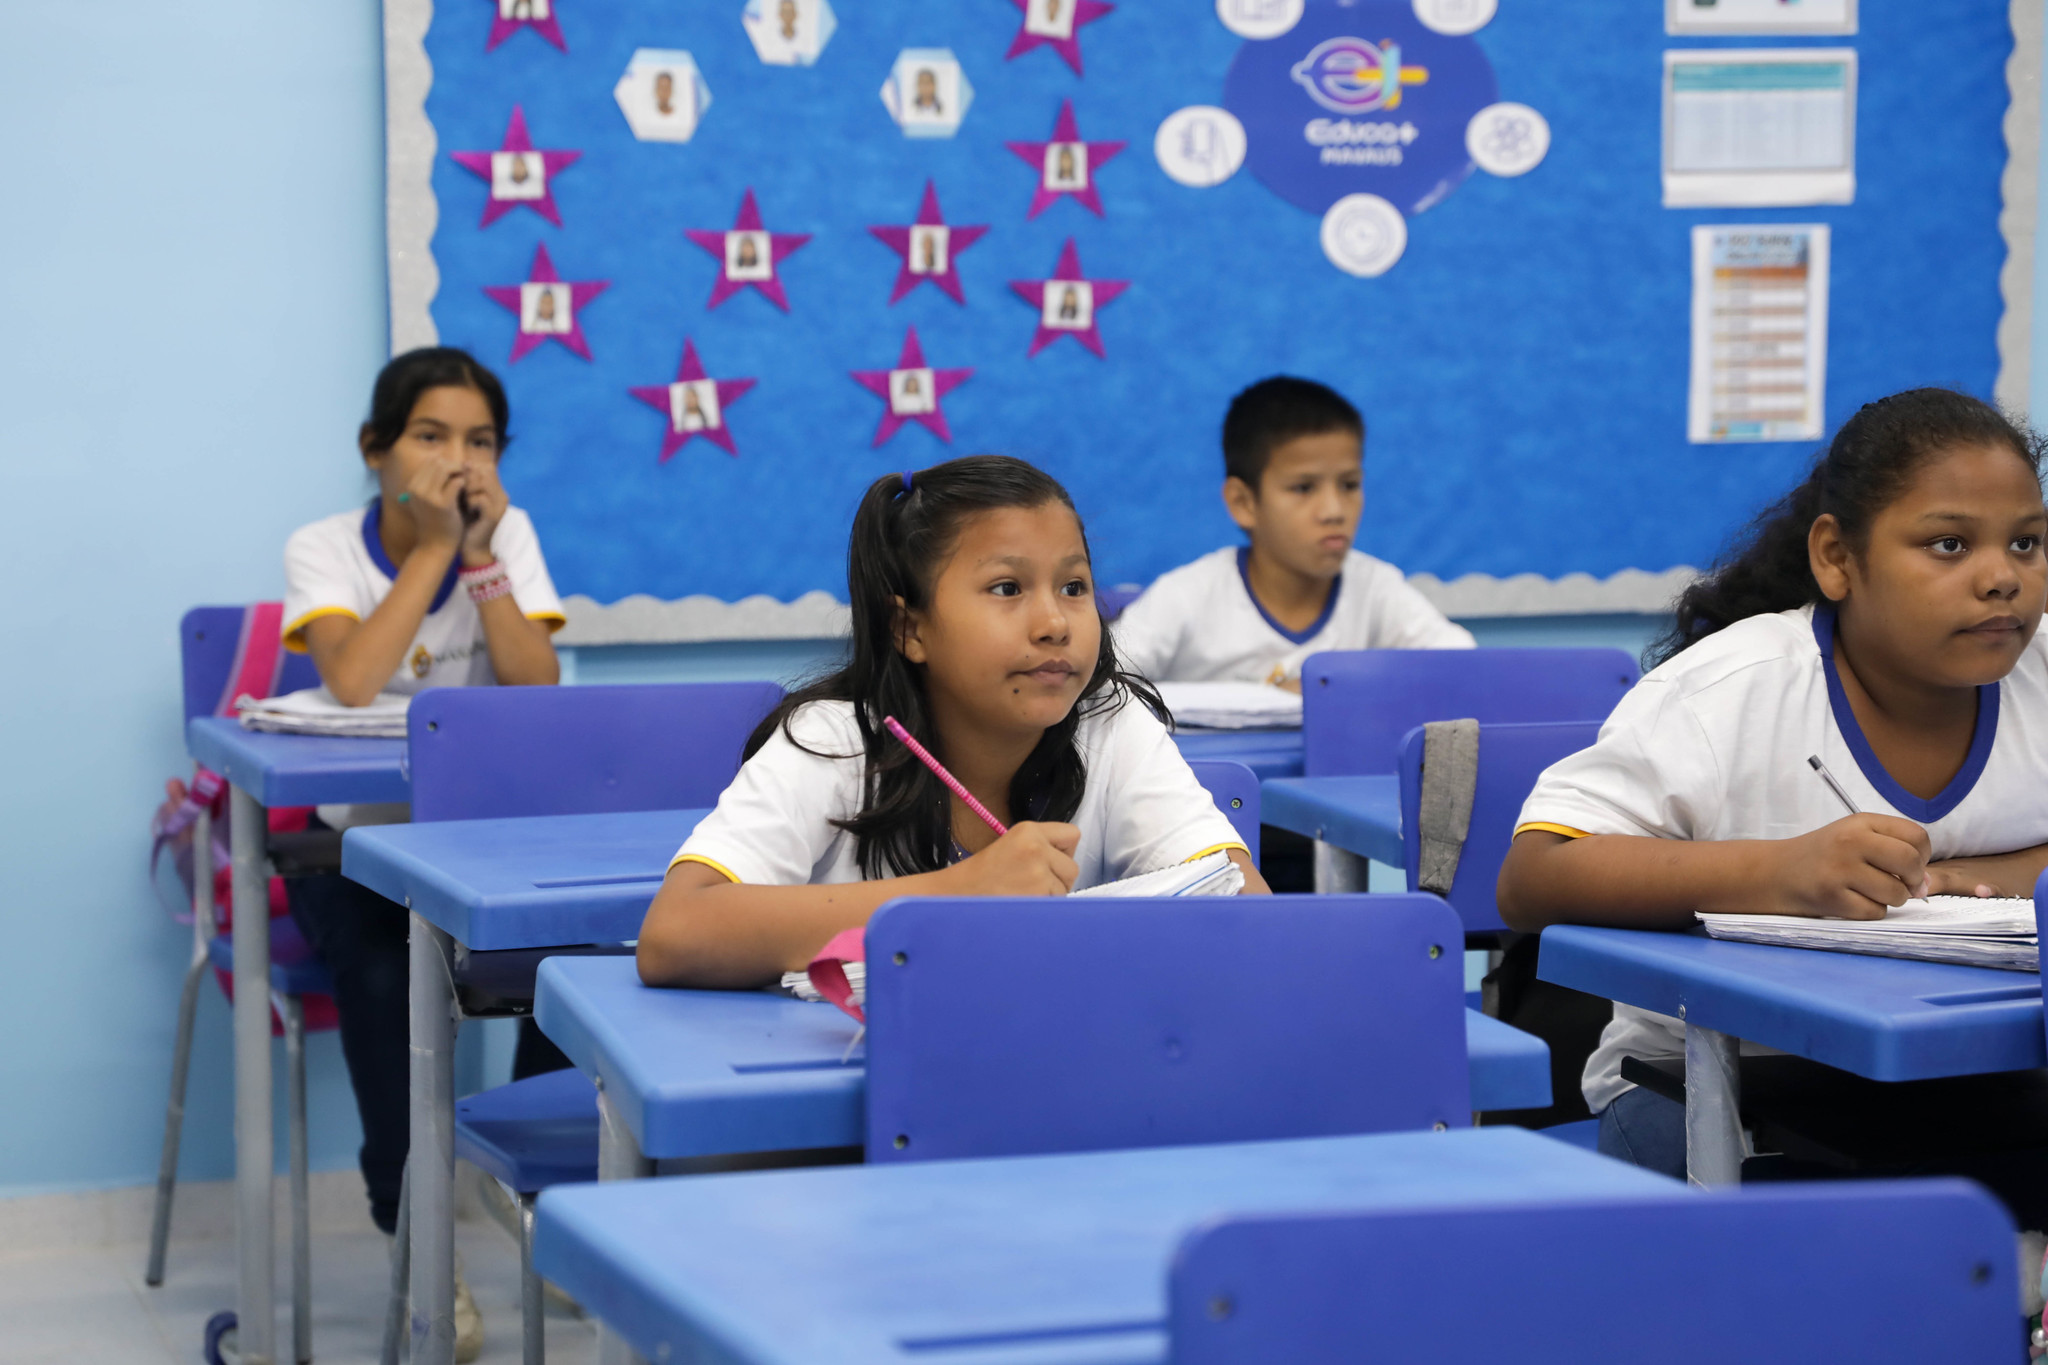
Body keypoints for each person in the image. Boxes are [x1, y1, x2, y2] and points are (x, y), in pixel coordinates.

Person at [1498, 388, 2048, 1226]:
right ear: (1837, 558)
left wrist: (1958, 877)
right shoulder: (1729, 691)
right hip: (1706, 1092)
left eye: (2027, 542)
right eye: (1948, 544)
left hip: (1978, 1082)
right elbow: (1535, 873)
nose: (2002, 575)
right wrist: (1779, 869)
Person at [637, 456, 1270, 988]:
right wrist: (959, 892)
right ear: (910, 629)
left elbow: (1245, 911)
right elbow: (676, 933)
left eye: (1074, 587)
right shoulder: (832, 741)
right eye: (1006, 589)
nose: (1055, 622)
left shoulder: (1110, 723)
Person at [280, 348, 568, 1361]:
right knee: (376, 968)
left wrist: (479, 558)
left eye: (480, 442)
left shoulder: (510, 535)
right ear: (376, 452)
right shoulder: (323, 547)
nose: (459, 461)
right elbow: (355, 679)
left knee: (572, 960)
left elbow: (536, 687)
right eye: (431, 437)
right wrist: (432, 552)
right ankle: (417, 1233)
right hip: (356, 849)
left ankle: (557, 1201)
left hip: (481, 847)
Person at [1115, 376, 1471, 689]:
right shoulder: (1185, 596)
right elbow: (1097, 685)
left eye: (1349, 485)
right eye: (1303, 488)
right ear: (1243, 503)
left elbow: (1468, 670)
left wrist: (1341, 690)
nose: (1334, 511)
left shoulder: (1376, 589)